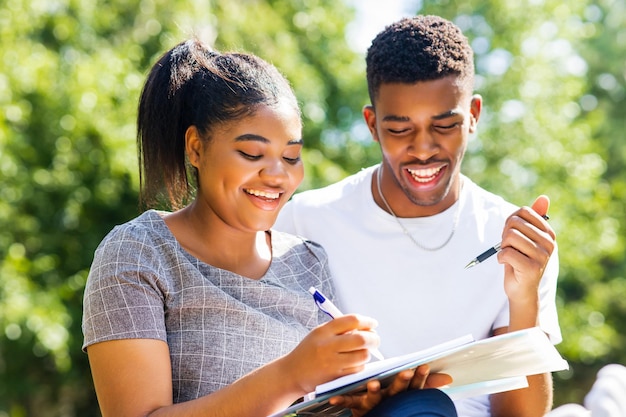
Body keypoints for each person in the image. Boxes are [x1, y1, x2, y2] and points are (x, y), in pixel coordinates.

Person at [81, 38, 458, 417]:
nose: (278, 175)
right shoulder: (139, 253)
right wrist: (291, 375)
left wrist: (357, 401)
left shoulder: (306, 261)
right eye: (252, 154)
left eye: (291, 156)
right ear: (196, 148)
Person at [274, 15, 561, 417]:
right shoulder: (303, 223)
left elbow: (522, 415)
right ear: (372, 125)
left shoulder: (514, 236)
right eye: (400, 130)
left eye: (444, 125)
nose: (424, 149)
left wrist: (523, 297)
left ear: (473, 115)